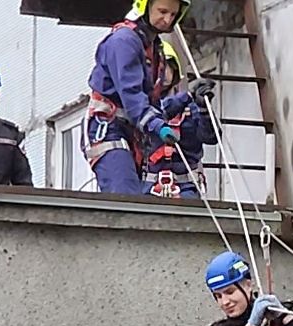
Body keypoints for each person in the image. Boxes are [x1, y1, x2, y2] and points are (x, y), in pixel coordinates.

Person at [83, 0, 186, 195]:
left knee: (135, 198)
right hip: (108, 126)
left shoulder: (154, 47)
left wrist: (187, 98)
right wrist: (156, 125)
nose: (167, 20)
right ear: (145, 6)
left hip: (132, 133)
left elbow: (153, 103)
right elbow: (131, 95)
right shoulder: (124, 41)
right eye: (162, 12)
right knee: (125, 194)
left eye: (173, 15)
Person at [142, 45, 218, 200]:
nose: (160, 72)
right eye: (156, 66)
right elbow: (158, 112)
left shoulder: (192, 107)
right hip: (147, 186)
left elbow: (211, 137)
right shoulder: (139, 108)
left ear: (175, 71)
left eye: (165, 66)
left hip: (186, 186)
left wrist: (204, 109)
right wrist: (187, 96)